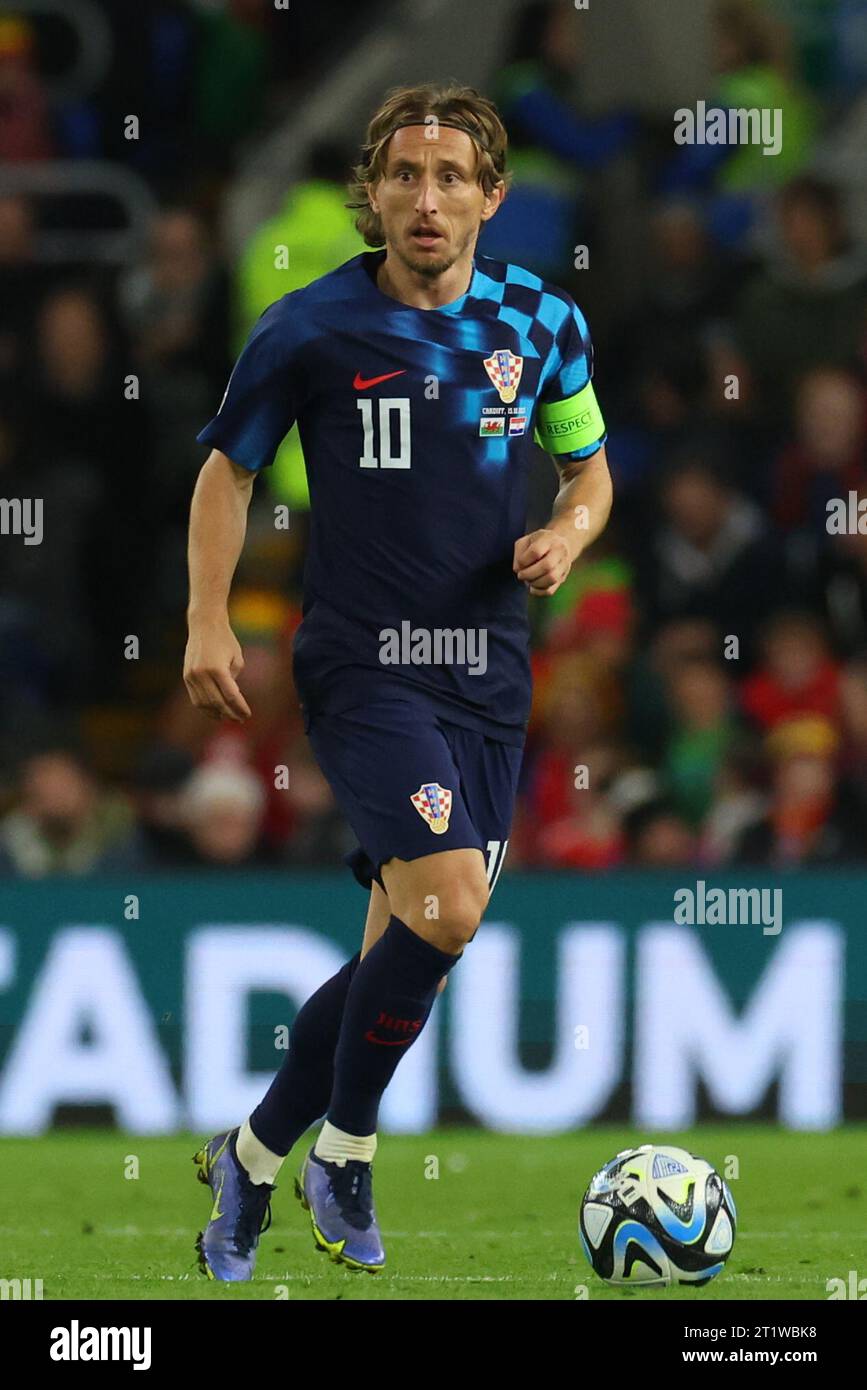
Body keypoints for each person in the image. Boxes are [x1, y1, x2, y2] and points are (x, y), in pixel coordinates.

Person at [184, 82, 612, 1280]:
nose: (428, 200)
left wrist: (570, 535)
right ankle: (351, 1150)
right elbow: (227, 472)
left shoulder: (543, 321)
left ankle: (257, 1158)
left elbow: (589, 471)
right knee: (452, 907)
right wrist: (206, 616)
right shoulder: (308, 328)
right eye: (405, 177)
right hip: (367, 664)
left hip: (490, 673)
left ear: (493, 196)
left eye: (452, 177)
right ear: (370, 196)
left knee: (411, 936)